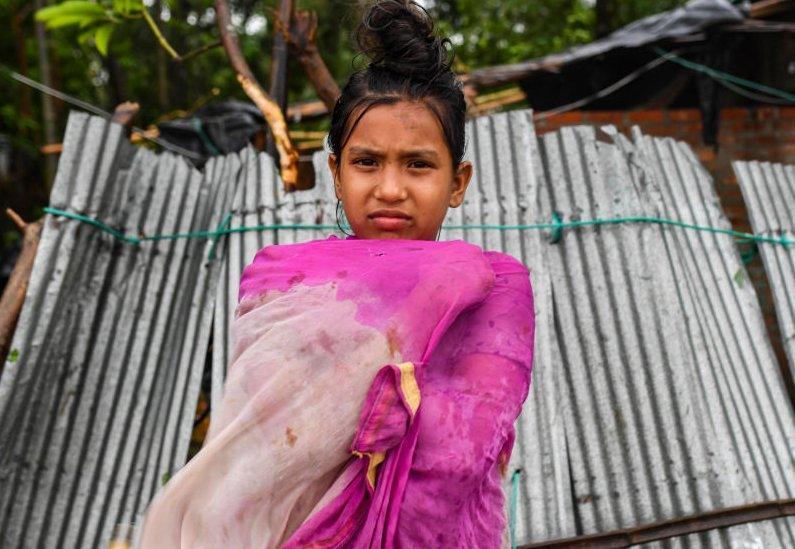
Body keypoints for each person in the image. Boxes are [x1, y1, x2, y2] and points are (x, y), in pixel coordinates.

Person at [136, 1, 535, 547]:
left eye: (418, 165)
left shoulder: (489, 289)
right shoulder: (284, 282)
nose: (390, 189)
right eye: (367, 162)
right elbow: (253, 458)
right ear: (337, 173)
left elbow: (461, 456)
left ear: (458, 181)